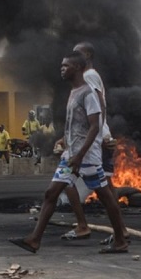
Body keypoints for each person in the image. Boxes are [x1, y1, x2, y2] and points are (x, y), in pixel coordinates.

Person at [8, 51, 129, 254]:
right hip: (71, 157)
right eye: (61, 65)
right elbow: (76, 125)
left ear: (79, 68)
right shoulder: (73, 92)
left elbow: (94, 126)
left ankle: (120, 240)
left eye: (66, 66)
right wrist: (65, 141)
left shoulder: (88, 93)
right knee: (51, 193)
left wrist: (81, 155)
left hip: (87, 158)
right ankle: (34, 240)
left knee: (106, 197)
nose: (62, 69)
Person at [60, 42, 118, 243]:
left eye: (76, 54)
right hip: (90, 139)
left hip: (95, 141)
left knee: (106, 190)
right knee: (69, 183)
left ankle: (119, 233)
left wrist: (101, 135)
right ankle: (114, 231)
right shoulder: (84, 80)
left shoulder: (89, 76)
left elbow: (98, 104)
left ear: (85, 56)